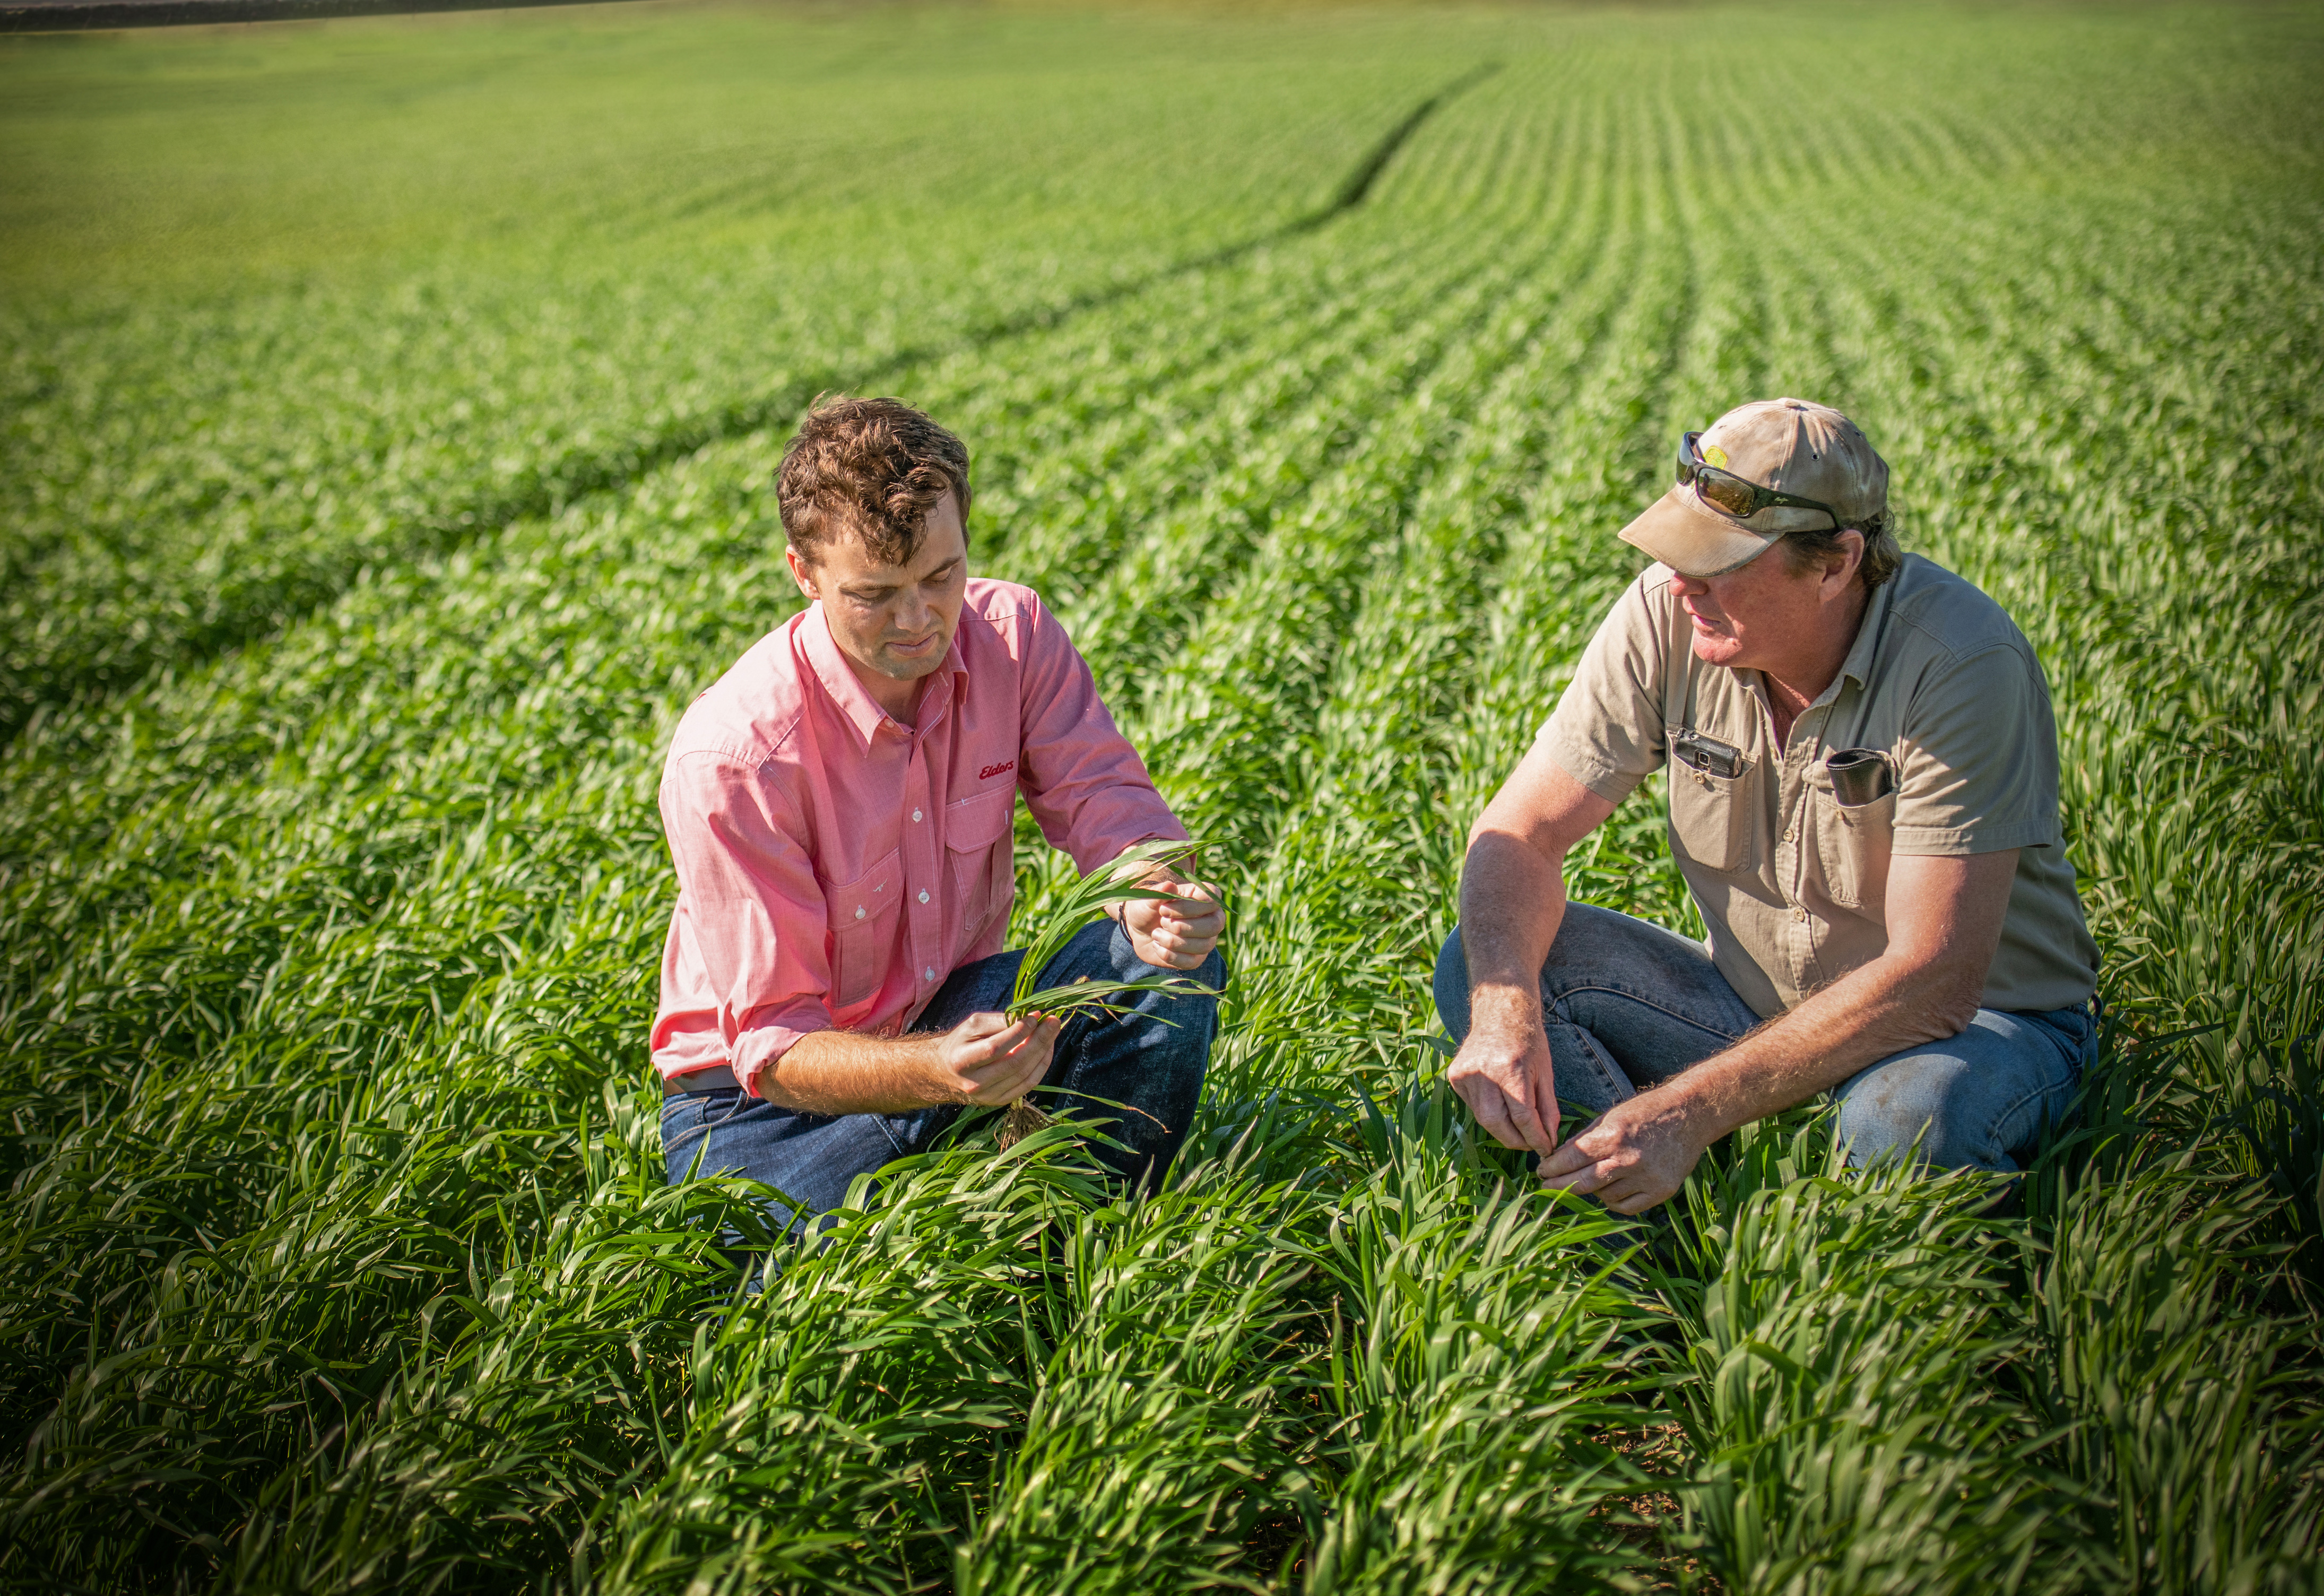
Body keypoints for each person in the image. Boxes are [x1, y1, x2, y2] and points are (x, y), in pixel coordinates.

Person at [1438, 397, 2098, 1214]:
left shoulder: (1960, 662)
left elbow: (1936, 978)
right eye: (1679, 551)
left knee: (1904, 1123)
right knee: (1491, 961)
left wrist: (1688, 1108)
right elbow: (1520, 833)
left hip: (1974, 1028)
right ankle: (1624, 1253)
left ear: (1836, 563)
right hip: (1754, 1011)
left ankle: (1869, 1258)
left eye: (1717, 564)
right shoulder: (1667, 614)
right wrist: (1505, 1012)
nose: (1682, 584)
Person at [653, 396, 1226, 1227]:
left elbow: (1101, 794)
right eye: (874, 595)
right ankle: (974, 1162)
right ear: (804, 574)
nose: (919, 620)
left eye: (940, 577)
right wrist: (937, 1071)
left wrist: (1149, 884)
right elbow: (774, 1049)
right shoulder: (737, 757)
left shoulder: (1014, 636)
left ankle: (1087, 1236)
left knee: (1155, 965)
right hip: (765, 1110)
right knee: (829, 1317)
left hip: (947, 1014)